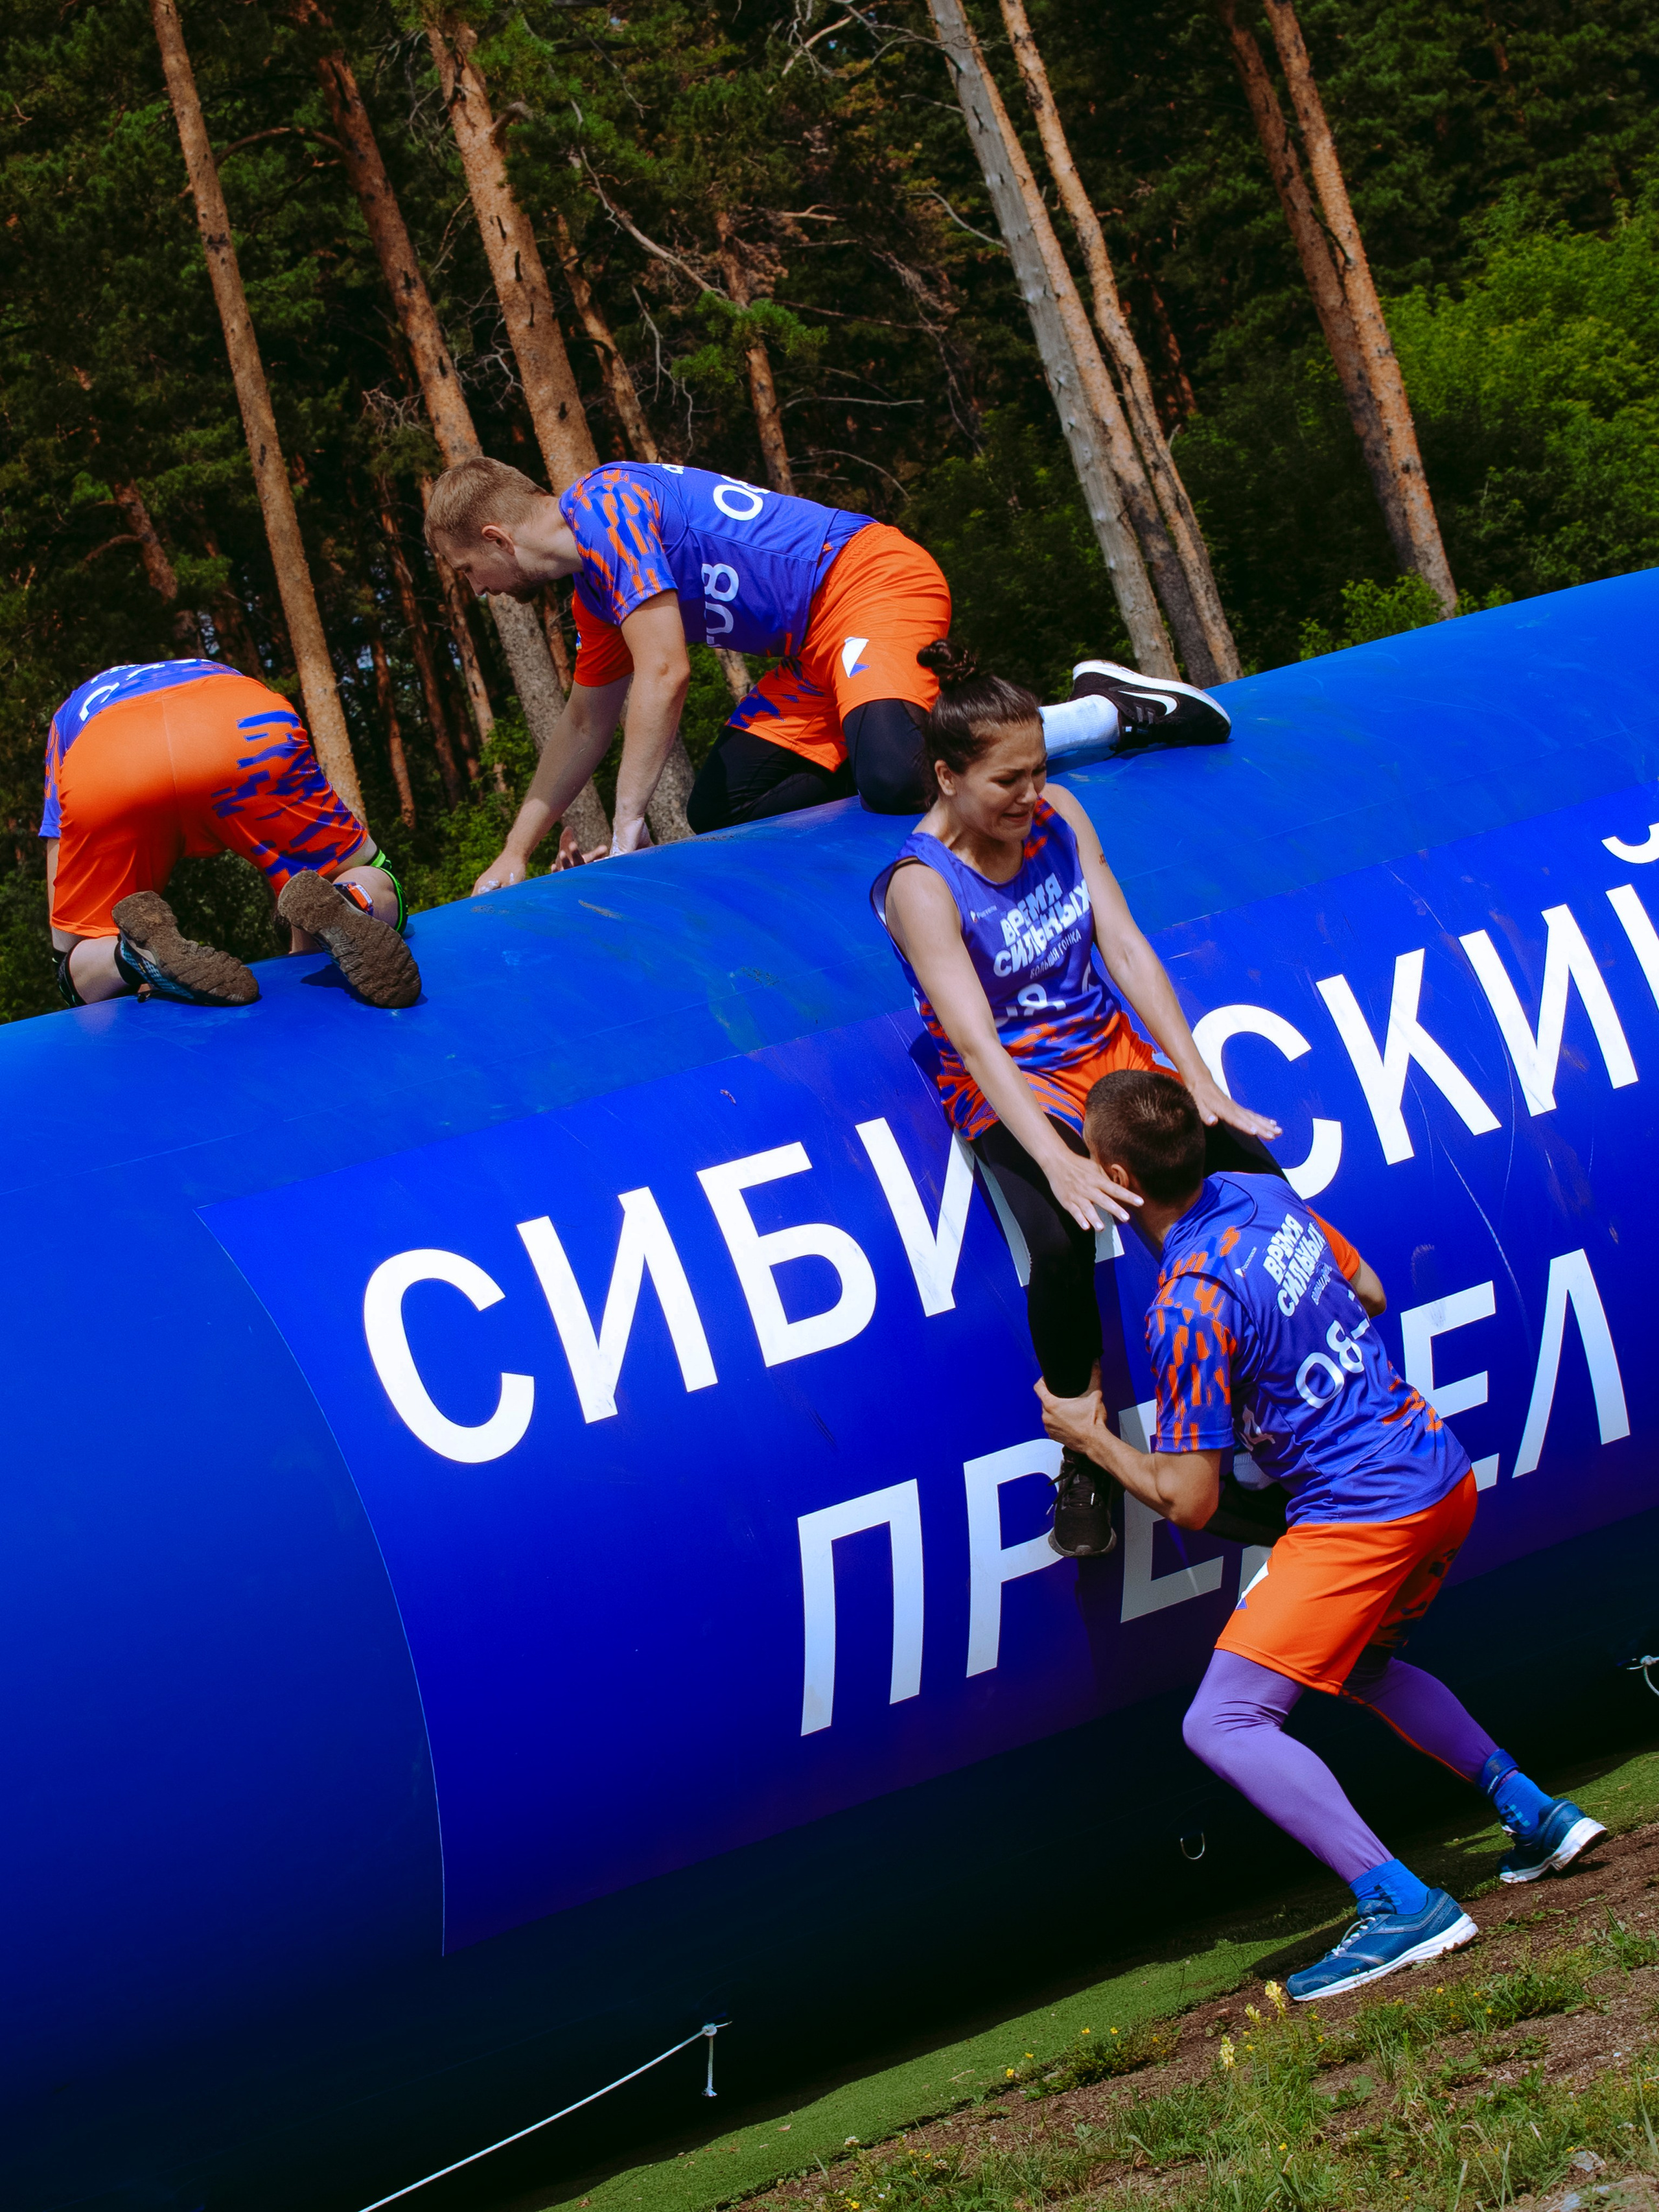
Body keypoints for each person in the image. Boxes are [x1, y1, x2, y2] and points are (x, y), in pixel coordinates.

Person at [1039, 1068, 1607, 2001]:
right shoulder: (1257, 1191)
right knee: (1364, 1664)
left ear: (1115, 1177)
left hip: (1362, 1513)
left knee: (1223, 1720)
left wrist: (1088, 1436)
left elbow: (1189, 1500)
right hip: (1437, 1469)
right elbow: (1370, 1291)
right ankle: (1534, 1812)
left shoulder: (1186, 1304)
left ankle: (1400, 1903)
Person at [870, 644, 1280, 1561]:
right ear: (948, 776)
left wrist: (1197, 1077)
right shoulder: (921, 887)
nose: (1030, 796)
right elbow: (976, 1040)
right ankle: (1082, 1452)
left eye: (1039, 770)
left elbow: (1123, 943)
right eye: (1007, 781)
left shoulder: (1061, 816)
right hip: (1011, 1075)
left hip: (1105, 1048)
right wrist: (1055, 1159)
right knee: (1060, 1238)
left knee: (1253, 1180)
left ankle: (1267, 1416)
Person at [420, 456, 1230, 885]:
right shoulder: (595, 590)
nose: (478, 592)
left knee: (894, 777)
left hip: (869, 581)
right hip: (814, 645)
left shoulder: (606, 506)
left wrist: (628, 830)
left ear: (495, 537)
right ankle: (896, 728)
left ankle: (1108, 710)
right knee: (722, 807)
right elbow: (585, 719)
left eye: (466, 572)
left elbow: (664, 674)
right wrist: (516, 850)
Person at [44, 658, 419, 1011]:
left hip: (110, 754)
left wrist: (71, 946)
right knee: (356, 870)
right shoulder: (211, 668)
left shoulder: (69, 714)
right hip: (239, 721)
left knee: (78, 953)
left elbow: (58, 846)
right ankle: (352, 899)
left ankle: (131, 956)